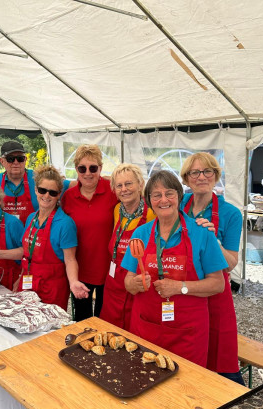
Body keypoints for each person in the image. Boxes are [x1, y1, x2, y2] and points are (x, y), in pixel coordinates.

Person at [122, 171, 227, 368]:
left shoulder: (201, 232)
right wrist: (134, 283)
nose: (163, 200)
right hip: (146, 328)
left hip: (187, 335)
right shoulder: (141, 233)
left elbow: (218, 283)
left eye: (169, 193)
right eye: (156, 195)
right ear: (149, 200)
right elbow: (127, 280)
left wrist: (180, 287)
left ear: (179, 196)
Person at [179, 153, 244, 385]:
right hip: (186, 289)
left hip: (216, 291)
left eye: (207, 171)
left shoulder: (231, 214)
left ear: (216, 176)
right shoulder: (178, 206)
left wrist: (213, 242)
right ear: (186, 179)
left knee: (220, 353)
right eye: (194, 172)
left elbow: (232, 262)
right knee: (187, 352)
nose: (201, 177)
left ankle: (232, 398)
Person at [17, 165, 89, 310]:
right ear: (36, 190)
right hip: (28, 282)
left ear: (59, 194)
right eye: (43, 190)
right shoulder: (31, 218)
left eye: (53, 192)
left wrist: (73, 281)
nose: (47, 196)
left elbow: (70, 259)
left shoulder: (65, 224)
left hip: (52, 288)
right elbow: (26, 252)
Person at [60, 144, 118, 321]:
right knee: (82, 321)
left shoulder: (113, 191)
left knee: (105, 321)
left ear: (100, 168)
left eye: (93, 168)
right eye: (82, 168)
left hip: (108, 270)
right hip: (79, 270)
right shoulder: (68, 197)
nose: (88, 173)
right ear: (76, 169)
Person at [100, 164, 155, 330]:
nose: (124, 189)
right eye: (119, 185)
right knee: (110, 333)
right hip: (113, 284)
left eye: (129, 184)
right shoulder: (117, 210)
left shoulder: (153, 213)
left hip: (137, 284)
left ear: (140, 185)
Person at [0, 141, 71, 225]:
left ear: (25, 159)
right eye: (10, 159)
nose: (16, 162)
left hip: (33, 234)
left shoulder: (40, 177)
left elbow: (73, 185)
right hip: (4, 236)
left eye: (20, 158)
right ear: (2, 161)